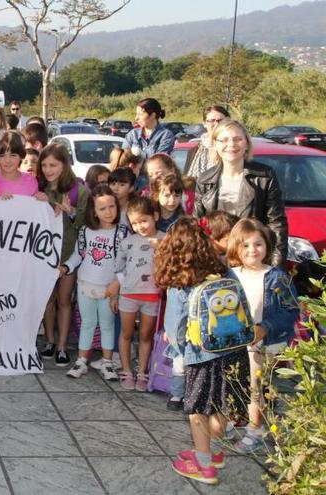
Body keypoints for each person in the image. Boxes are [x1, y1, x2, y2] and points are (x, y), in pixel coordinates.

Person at [155, 218, 257, 485]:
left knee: (198, 408)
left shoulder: (181, 280)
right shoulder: (223, 270)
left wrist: (183, 351)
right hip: (234, 350)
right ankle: (213, 452)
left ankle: (202, 464)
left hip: (202, 356)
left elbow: (175, 326)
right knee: (222, 404)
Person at [225, 219, 299, 453]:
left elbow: (291, 310)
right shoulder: (230, 274)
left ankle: (255, 430)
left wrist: (265, 327)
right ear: (235, 247)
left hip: (265, 343)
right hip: (236, 343)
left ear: (267, 246)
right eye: (245, 245)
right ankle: (241, 419)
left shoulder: (277, 277)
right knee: (238, 383)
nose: (252, 250)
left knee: (258, 387)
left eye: (258, 244)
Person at [194, 120, 287, 267]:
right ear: (215, 144)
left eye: (238, 139)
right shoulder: (204, 180)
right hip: (217, 263)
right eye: (224, 140)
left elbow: (277, 225)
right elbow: (198, 227)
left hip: (253, 259)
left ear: (246, 144)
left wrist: (276, 268)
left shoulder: (264, 176)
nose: (231, 144)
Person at [62, 185, 127, 380]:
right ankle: (82, 360)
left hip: (109, 288)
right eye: (102, 208)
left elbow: (126, 263)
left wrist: (117, 284)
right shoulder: (85, 231)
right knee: (87, 324)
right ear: (94, 212)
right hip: (85, 285)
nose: (108, 212)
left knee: (107, 324)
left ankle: (107, 363)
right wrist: (65, 267)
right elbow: (78, 255)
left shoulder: (122, 233)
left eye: (112, 206)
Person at [38, 143, 89, 366]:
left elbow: (87, 224)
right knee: (47, 299)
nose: (49, 170)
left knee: (64, 299)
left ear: (65, 164)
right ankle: (49, 341)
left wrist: (71, 213)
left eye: (54, 165)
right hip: (43, 253)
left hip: (69, 254)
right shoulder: (39, 188)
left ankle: (62, 346)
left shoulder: (80, 190)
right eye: (45, 165)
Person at [112, 196, 164, 390]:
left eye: (144, 220)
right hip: (128, 295)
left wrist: (161, 250)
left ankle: (143, 372)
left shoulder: (165, 239)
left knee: (145, 336)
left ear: (155, 216)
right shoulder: (127, 242)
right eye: (134, 223)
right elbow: (118, 269)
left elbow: (172, 265)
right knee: (126, 334)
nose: (140, 226)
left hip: (152, 296)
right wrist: (117, 293)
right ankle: (126, 370)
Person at [122, 98, 175, 166]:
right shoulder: (132, 134)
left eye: (140, 114)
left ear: (153, 115)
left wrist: (139, 156)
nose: (136, 118)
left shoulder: (166, 135)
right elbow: (124, 161)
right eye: (136, 114)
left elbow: (158, 162)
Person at [0, 131, 38, 200]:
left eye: (13, 155)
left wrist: (41, 199)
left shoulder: (30, 180)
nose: (7, 160)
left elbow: (36, 207)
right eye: (2, 156)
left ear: (21, 156)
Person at [186, 105, 230, 178]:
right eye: (212, 120)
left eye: (220, 120)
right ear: (204, 123)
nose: (216, 124)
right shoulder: (194, 151)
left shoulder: (234, 148)